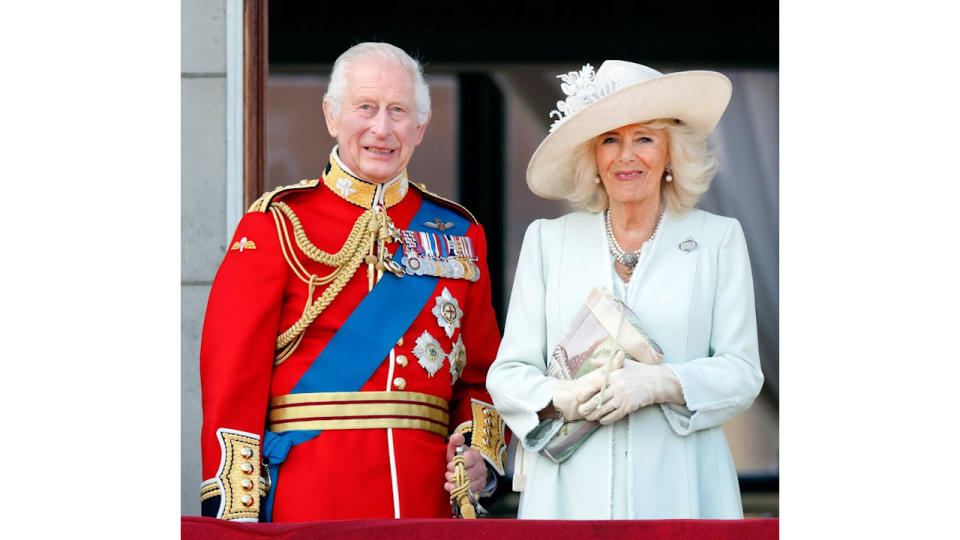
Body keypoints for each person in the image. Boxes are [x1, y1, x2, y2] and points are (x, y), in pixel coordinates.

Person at [199, 42, 507, 522]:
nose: (381, 129)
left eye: (398, 111)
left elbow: (482, 377)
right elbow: (232, 378)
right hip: (307, 498)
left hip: (423, 503)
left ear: (421, 127)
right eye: (366, 107)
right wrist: (237, 514)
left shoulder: (460, 234)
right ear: (331, 116)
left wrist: (478, 458)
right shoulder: (276, 224)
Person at [486, 60, 764, 519]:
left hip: (682, 490)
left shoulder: (718, 239)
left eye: (644, 139)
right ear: (592, 156)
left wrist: (662, 382)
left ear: (671, 152)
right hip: (568, 496)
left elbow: (743, 372)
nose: (626, 156)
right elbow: (508, 373)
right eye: (610, 139)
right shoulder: (548, 241)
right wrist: (560, 397)